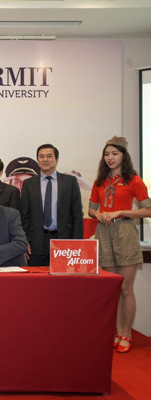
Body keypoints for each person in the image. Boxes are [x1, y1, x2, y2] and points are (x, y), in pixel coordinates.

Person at [88, 136, 151, 353]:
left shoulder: (134, 180)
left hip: (125, 232)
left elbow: (148, 210)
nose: (110, 158)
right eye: (107, 154)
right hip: (104, 233)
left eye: (115, 154)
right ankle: (116, 332)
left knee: (126, 288)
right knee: (113, 288)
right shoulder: (100, 181)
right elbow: (91, 209)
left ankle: (126, 333)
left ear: (124, 156)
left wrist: (121, 212)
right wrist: (99, 214)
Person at [20, 144, 84, 266]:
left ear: (56, 159)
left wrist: (77, 243)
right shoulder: (29, 184)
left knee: (62, 276)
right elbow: (24, 216)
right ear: (37, 159)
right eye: (41, 156)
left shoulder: (70, 182)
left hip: (64, 240)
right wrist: (25, 241)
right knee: (36, 276)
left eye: (49, 156)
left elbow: (77, 215)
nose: (45, 159)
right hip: (36, 242)